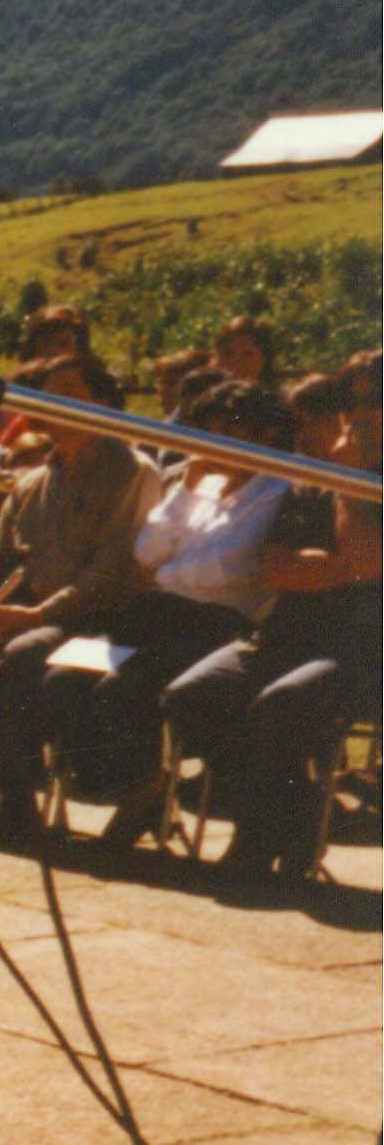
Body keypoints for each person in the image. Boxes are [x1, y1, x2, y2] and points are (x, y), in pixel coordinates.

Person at [163, 358, 382, 880]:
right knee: (193, 694)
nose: (357, 419)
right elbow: (276, 568)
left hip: (364, 651)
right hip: (287, 637)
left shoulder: (349, 480)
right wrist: (341, 566)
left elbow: (367, 559)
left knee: (282, 704)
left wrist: (351, 490)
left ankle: (258, 837)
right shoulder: (312, 481)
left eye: (371, 405)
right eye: (351, 406)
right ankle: (299, 815)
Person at [65, 382, 296, 847]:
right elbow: (147, 550)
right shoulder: (199, 484)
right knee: (66, 676)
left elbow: (231, 566)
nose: (215, 443)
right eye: (209, 432)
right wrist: (185, 494)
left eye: (230, 431)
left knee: (122, 687)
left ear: (265, 434)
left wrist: (168, 570)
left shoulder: (277, 490)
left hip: (218, 625)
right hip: (160, 614)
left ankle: (144, 794)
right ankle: (140, 789)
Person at [0, 351, 160, 844]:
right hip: (26, 612)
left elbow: (112, 572)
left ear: (102, 401)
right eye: (49, 393)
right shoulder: (33, 481)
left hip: (98, 620)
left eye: (72, 391)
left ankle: (15, 798)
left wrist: (36, 615)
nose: (58, 403)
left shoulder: (132, 471)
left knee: (24, 656)